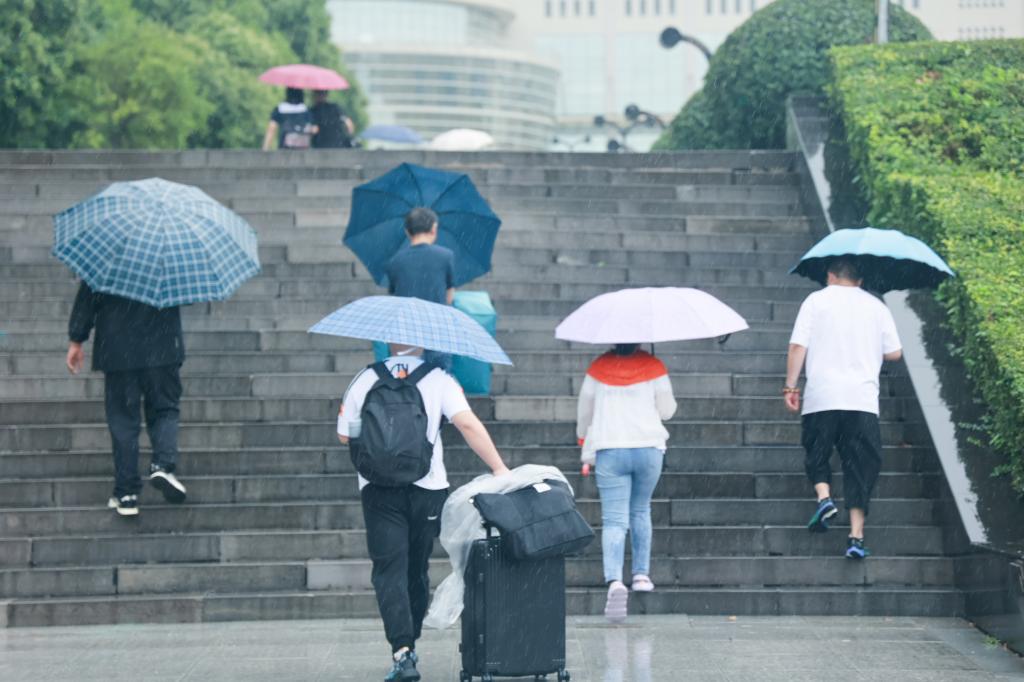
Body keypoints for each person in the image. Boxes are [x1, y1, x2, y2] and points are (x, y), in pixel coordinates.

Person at [337, 343, 509, 682]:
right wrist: (499, 468)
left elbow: (344, 436)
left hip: (377, 489)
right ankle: (411, 636)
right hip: (427, 488)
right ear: (423, 342)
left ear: (388, 341)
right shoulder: (439, 379)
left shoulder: (364, 378)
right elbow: (468, 425)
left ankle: (402, 651)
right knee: (416, 568)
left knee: (388, 570)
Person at [784, 257, 903, 560]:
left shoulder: (815, 301)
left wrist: (791, 386)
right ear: (860, 280)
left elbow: (797, 346)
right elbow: (894, 352)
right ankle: (856, 537)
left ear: (830, 275)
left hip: (822, 396)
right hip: (861, 400)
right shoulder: (876, 307)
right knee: (860, 464)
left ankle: (824, 497)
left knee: (817, 450)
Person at [66, 282, 188, 517]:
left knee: (123, 420)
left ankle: (126, 493)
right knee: (164, 410)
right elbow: (186, 294)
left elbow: (88, 296)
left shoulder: (107, 262)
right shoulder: (171, 261)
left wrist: (76, 339)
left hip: (118, 347)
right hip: (162, 346)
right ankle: (162, 465)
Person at [576, 343, 677, 623]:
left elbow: (584, 411)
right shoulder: (654, 366)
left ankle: (615, 580)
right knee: (641, 509)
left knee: (614, 520)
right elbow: (667, 410)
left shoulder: (598, 368)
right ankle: (641, 575)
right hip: (648, 448)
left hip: (611, 449)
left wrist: (583, 438)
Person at [385, 207, 456, 370]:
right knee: (438, 377)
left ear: (407, 231)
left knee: (407, 379)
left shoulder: (395, 261)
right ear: (434, 228)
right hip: (437, 330)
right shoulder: (445, 256)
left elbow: (395, 296)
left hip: (406, 335)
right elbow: (449, 296)